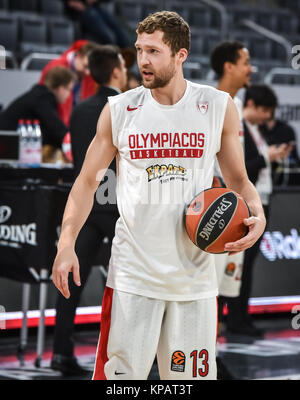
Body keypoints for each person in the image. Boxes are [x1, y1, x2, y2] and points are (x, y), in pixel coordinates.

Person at [52, 11, 266, 380]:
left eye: (153, 51)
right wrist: (66, 243)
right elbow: (86, 183)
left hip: (194, 279)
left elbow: (239, 180)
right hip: (133, 277)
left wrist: (257, 214)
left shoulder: (216, 106)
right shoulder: (119, 110)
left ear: (180, 55)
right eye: (139, 50)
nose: (143, 61)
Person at [50, 45, 127, 376]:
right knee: (131, 284)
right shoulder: (124, 108)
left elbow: (78, 163)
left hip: (89, 207)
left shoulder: (80, 110)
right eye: (123, 65)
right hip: (120, 208)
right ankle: (127, 357)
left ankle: (60, 351)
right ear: (115, 71)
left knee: (71, 282)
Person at [225, 84, 292, 336]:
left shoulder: (254, 129)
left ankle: (239, 317)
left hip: (259, 199)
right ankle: (234, 319)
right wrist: (266, 158)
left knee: (246, 264)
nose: (267, 117)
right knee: (239, 264)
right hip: (245, 203)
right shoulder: (237, 125)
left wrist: (269, 156)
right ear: (250, 104)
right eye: (265, 111)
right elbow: (240, 170)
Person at [210, 40, 253, 378]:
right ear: (228, 66)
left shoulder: (234, 104)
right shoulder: (210, 103)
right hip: (214, 208)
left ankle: (210, 351)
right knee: (209, 288)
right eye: (245, 61)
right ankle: (203, 353)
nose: (249, 68)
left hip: (234, 206)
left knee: (224, 289)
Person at [0, 66, 76, 160]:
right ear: (61, 88)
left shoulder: (38, 96)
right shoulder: (42, 98)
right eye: (69, 89)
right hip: (7, 152)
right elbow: (57, 130)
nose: (69, 95)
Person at [63, 0, 133, 49]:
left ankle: (126, 47)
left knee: (114, 24)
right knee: (109, 35)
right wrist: (82, 7)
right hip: (80, 12)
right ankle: (114, 49)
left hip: (94, 8)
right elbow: (70, 3)